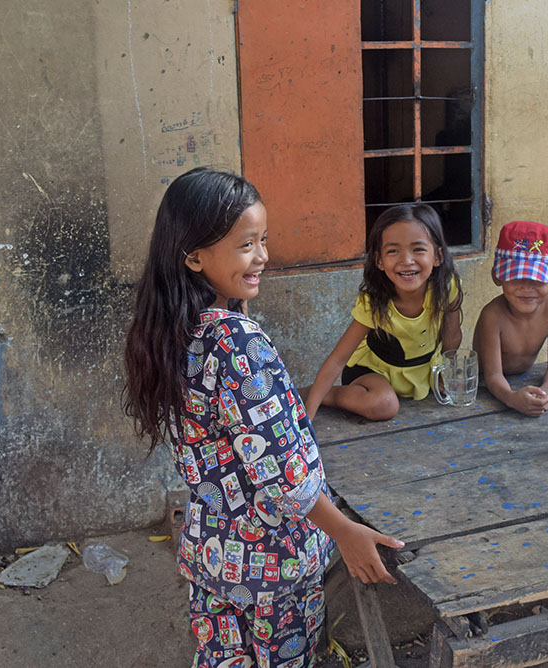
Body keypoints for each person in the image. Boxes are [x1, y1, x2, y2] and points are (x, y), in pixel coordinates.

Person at [122, 167, 404, 668]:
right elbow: (280, 473)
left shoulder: (166, 331)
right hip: (275, 565)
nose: (263, 257)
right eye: (247, 244)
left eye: (264, 240)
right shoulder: (236, 340)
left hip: (212, 550)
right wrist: (344, 530)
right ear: (194, 256)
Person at [305, 204, 463, 421]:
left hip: (419, 371)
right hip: (372, 373)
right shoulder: (375, 302)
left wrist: (446, 372)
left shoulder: (446, 287)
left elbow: (452, 335)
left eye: (418, 249)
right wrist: (307, 416)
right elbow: (337, 360)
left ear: (438, 256)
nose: (406, 261)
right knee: (384, 405)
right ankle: (313, 394)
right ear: (379, 260)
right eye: (393, 251)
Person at [473, 220, 548, 417]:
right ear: (498, 276)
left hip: (525, 379)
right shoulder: (493, 315)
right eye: (516, 276)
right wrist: (511, 398)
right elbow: (493, 375)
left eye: (537, 279)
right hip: (485, 387)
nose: (526, 287)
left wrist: (546, 393)